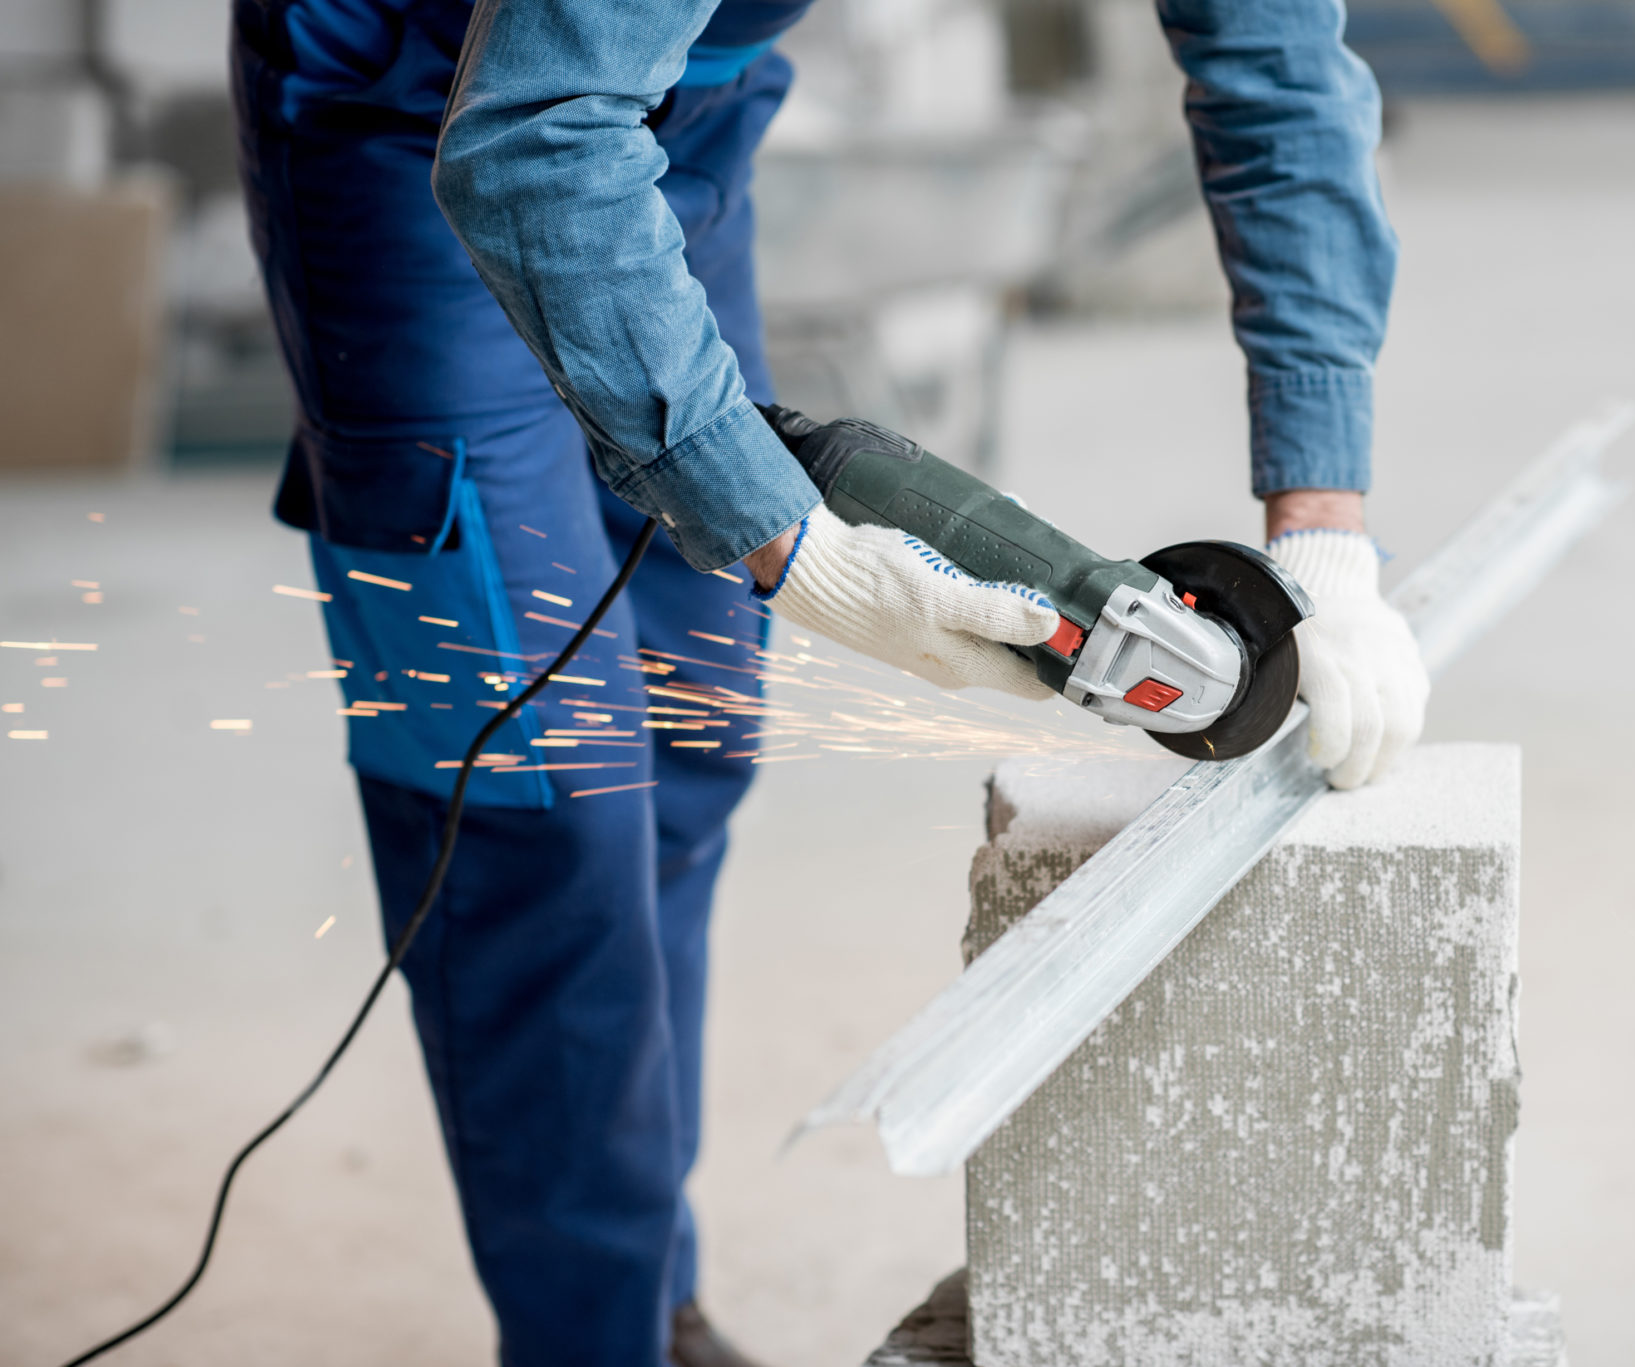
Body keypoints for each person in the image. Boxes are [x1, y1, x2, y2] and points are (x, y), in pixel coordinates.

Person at [230, 0, 1426, 1362]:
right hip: (422, 114)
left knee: (690, 731)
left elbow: (1273, 67)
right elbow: (533, 135)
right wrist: (798, 547)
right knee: (541, 794)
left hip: (674, 108)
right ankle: (591, 1340)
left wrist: (1323, 531)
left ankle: (643, 1298)